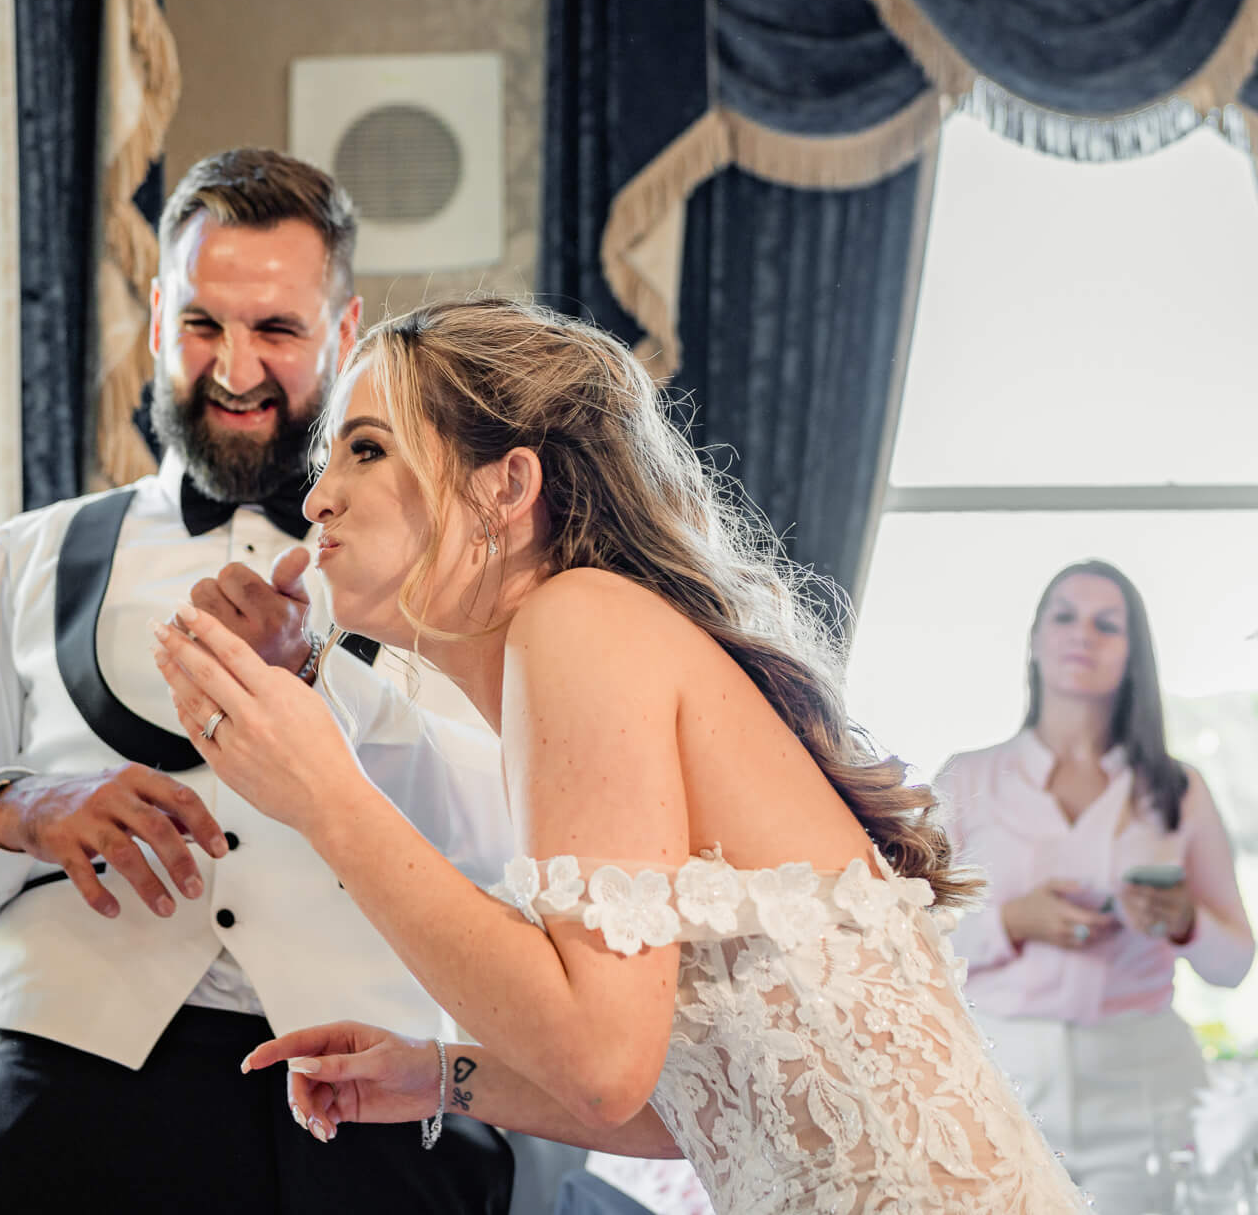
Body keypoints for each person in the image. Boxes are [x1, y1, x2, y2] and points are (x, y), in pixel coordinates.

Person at [151, 295, 1090, 1212]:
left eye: (366, 449)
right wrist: (442, 1076)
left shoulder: (580, 620)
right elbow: (701, 1099)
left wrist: (326, 800)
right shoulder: (570, 657)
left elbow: (601, 1067)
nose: (317, 497)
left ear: (505, 487)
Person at [0, 149, 514, 1213]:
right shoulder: (22, 562)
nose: (234, 366)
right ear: (157, 315)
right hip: (67, 1119)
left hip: (370, 1108)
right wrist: (13, 811)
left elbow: (500, 835)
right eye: (203, 324)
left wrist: (314, 680)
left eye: (276, 330)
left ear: (343, 336)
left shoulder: (447, 575)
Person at [931, 561, 1253, 1214]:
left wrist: (1186, 920)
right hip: (999, 1079)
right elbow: (911, 948)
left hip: (1142, 1091)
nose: (1085, 634)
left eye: (1108, 624)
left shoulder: (1177, 791)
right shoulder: (966, 780)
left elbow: (1233, 964)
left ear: (1133, 656)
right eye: (1066, 616)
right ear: (1034, 638)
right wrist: (1011, 921)